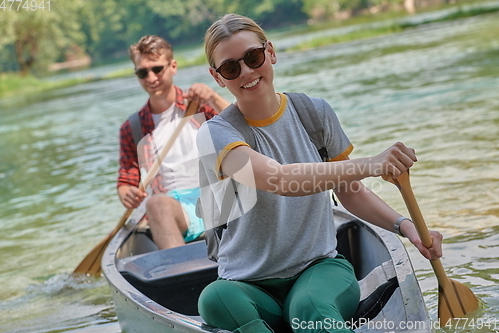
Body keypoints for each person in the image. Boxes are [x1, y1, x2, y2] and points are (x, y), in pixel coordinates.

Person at [195, 14, 444, 333]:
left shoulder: (314, 113)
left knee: (309, 308)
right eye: (231, 68)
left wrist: (406, 227)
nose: (246, 72)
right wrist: (372, 163)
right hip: (248, 286)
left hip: (320, 270)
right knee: (214, 298)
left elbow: (350, 191)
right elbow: (279, 179)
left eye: (253, 57)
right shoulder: (216, 134)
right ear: (218, 78)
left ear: (270, 52)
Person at [118, 35, 230, 250]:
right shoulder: (131, 128)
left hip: (217, 199)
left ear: (173, 66)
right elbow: (126, 180)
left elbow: (243, 127)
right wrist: (126, 194)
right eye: (143, 72)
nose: (151, 78)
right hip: (174, 211)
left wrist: (214, 98)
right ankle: (180, 271)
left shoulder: (199, 104)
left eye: (157, 69)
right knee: (156, 203)